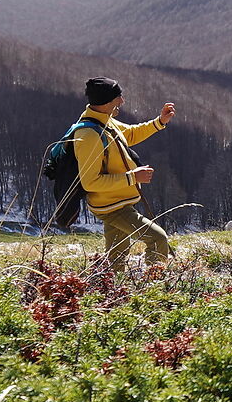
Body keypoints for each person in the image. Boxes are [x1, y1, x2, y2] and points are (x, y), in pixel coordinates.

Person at [51, 76, 176, 272]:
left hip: (117, 201)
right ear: (106, 101)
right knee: (157, 238)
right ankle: (156, 286)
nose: (122, 101)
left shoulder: (105, 122)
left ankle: (114, 291)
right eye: (119, 97)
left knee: (117, 256)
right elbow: (90, 182)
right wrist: (133, 177)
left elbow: (131, 135)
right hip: (111, 207)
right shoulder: (89, 136)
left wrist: (159, 122)